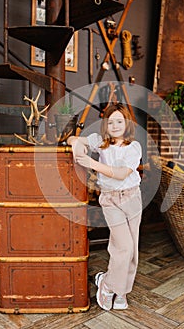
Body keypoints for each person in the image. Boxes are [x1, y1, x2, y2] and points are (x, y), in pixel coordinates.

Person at [67, 103, 142, 311]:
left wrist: (91, 164)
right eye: (110, 122)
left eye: (120, 121)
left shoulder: (133, 147)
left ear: (127, 124)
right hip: (110, 200)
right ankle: (108, 286)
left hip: (132, 198)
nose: (115, 125)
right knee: (123, 246)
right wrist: (78, 147)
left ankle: (120, 291)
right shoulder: (101, 142)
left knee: (131, 248)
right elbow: (73, 139)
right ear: (105, 125)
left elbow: (120, 174)